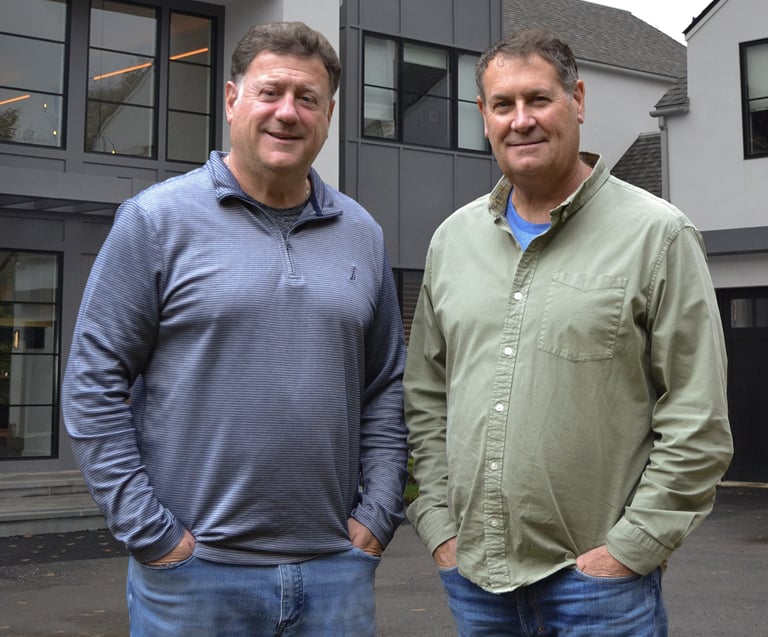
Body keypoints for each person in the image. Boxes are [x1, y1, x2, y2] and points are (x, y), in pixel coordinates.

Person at [62, 21, 408, 637]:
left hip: (335, 575)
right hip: (194, 580)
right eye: (270, 92)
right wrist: (153, 535)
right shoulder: (154, 221)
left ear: (329, 115)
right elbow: (93, 384)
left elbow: (386, 387)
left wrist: (377, 517)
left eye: (307, 98)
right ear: (231, 100)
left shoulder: (362, 233)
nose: (287, 112)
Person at [404, 28, 733, 636]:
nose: (521, 120)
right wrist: (440, 528)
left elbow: (698, 417)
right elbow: (426, 397)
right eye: (503, 104)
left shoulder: (658, 235)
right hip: (475, 584)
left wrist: (630, 550)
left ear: (577, 100)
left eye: (539, 99)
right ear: (483, 116)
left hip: (601, 594)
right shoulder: (452, 242)